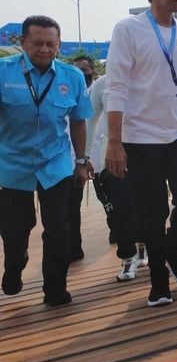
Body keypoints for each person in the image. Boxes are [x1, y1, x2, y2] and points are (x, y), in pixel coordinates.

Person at [105, 0, 177, 307]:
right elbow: (114, 88)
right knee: (153, 211)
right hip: (139, 138)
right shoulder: (128, 29)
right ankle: (159, 280)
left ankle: (174, 245)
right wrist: (115, 143)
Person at [0, 15, 93, 306]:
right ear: (23, 42)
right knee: (16, 228)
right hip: (12, 165)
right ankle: (15, 264)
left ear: (59, 45)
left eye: (50, 44)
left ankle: (55, 289)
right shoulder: (4, 72)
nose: (44, 49)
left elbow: (78, 122)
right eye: (37, 43)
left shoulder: (73, 77)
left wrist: (81, 161)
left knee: (59, 227)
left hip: (56, 164)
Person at [87, 74, 148, 281]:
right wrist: (85, 157)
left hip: (145, 155)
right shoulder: (102, 84)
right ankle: (127, 257)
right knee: (120, 212)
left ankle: (141, 249)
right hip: (109, 158)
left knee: (144, 207)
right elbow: (90, 120)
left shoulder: (151, 77)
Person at [67, 55, 97, 261]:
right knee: (68, 207)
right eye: (76, 69)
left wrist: (86, 158)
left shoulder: (99, 90)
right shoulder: (66, 91)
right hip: (67, 159)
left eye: (84, 70)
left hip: (92, 155)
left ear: (92, 73)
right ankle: (72, 248)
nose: (80, 74)